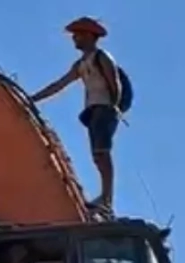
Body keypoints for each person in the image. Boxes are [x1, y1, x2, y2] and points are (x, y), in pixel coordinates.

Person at [30, 16, 122, 215]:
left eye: (78, 35)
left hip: (103, 108)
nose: (74, 39)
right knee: (97, 156)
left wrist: (112, 108)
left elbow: (115, 84)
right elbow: (59, 84)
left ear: (89, 35)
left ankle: (107, 198)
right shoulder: (81, 64)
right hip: (93, 111)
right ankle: (105, 198)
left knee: (102, 153)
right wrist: (32, 99)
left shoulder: (102, 57)